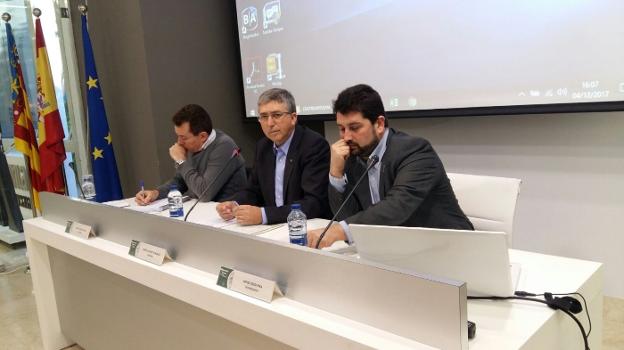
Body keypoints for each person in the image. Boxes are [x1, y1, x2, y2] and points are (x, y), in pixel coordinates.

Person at [308, 84, 473, 248]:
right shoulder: (354, 156)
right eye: (342, 129)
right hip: (396, 251)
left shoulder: (415, 151)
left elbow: (397, 205)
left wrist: (337, 231)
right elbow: (351, 217)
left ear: (379, 124)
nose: (347, 137)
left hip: (450, 248)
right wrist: (336, 174)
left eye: (354, 127)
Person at [216, 88, 331, 225]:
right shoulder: (263, 146)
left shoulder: (313, 145)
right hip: (274, 227)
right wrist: (234, 203)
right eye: (264, 117)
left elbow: (313, 203)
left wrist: (264, 215)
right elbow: (253, 190)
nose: (270, 123)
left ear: (293, 118)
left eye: (276, 115)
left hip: (307, 226)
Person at [135, 104, 246, 204]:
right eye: (178, 136)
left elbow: (204, 193)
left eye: (183, 137)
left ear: (202, 136)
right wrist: (156, 193)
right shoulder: (194, 145)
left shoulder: (224, 146)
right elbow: (180, 181)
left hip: (229, 216)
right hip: (203, 212)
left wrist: (181, 161)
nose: (179, 142)